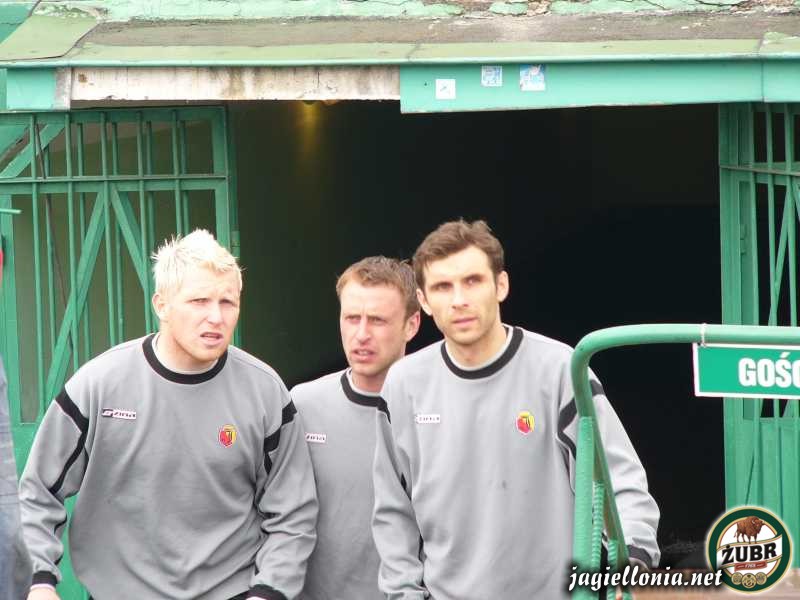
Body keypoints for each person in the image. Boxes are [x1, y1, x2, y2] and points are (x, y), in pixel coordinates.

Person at [19, 229, 318, 600]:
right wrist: (39, 582)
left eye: (227, 302)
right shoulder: (98, 385)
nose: (216, 316)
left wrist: (267, 592)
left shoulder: (265, 392)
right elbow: (38, 491)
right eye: (199, 300)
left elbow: (294, 512)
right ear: (161, 305)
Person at [372, 219, 660, 600]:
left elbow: (619, 481)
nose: (459, 299)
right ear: (424, 302)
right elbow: (393, 511)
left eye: (472, 281)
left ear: (501, 285)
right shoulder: (404, 384)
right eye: (443, 287)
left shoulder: (560, 370)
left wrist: (632, 560)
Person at [292, 256, 420, 600]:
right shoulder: (302, 405)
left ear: (411, 324)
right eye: (351, 318)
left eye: (377, 320)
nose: (361, 334)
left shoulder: (435, 410)